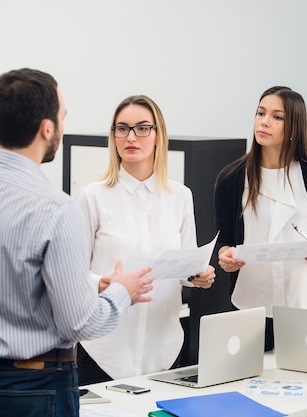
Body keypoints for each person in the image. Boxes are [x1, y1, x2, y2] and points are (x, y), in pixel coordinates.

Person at [0, 68, 154, 417]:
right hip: (33, 390)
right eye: (62, 117)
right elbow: (80, 324)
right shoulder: (57, 210)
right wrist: (122, 291)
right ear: (47, 129)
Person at [75, 94, 216, 382]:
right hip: (103, 350)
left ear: (157, 135)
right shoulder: (93, 197)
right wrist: (101, 282)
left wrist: (198, 275)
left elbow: (185, 268)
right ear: (113, 136)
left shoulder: (180, 196)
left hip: (164, 348)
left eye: (142, 128)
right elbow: (71, 272)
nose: (131, 137)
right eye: (122, 128)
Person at [214, 86, 307, 351]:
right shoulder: (232, 177)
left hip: (306, 299)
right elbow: (224, 239)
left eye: (277, 117)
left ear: (294, 127)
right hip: (251, 302)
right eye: (261, 113)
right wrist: (226, 255)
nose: (264, 121)